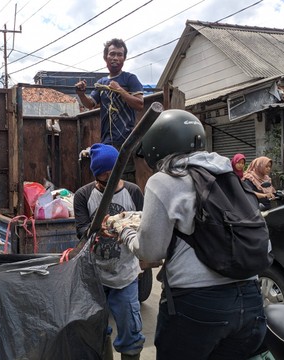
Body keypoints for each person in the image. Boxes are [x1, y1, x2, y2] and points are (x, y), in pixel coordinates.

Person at [108, 110, 267, 360]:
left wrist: (126, 231)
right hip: (250, 298)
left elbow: (151, 251)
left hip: (197, 304)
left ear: (157, 146)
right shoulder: (228, 174)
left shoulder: (165, 180)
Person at [73, 143, 145, 360]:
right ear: (96, 176)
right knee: (96, 330)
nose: (109, 182)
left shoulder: (133, 191)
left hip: (125, 274)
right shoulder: (83, 195)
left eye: (113, 175)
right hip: (93, 275)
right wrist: (98, 231)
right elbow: (81, 230)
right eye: (104, 178)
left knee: (131, 332)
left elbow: (144, 222)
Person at [75, 38, 144, 183]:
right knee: (107, 180)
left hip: (127, 141)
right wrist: (81, 93)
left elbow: (139, 104)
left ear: (124, 58)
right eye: (112, 54)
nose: (116, 58)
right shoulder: (101, 83)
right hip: (107, 143)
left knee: (126, 182)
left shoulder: (130, 79)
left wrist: (119, 90)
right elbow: (90, 104)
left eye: (120, 55)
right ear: (105, 57)